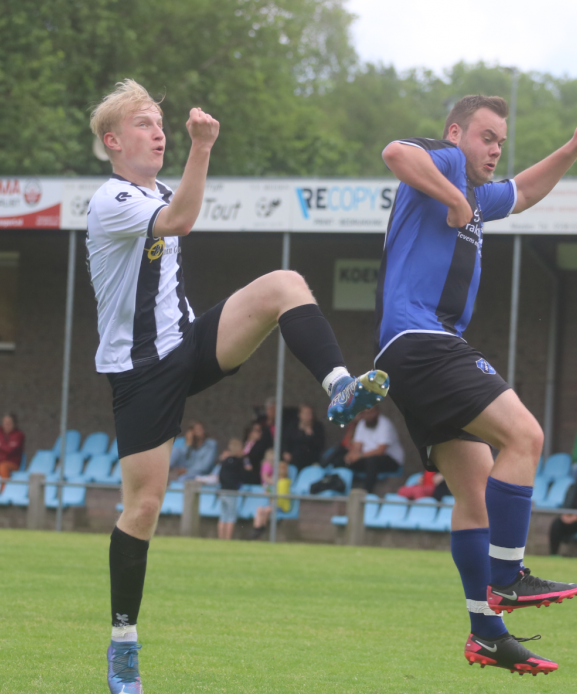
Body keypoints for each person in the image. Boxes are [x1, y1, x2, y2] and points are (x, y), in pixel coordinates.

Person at [86, 80, 389, 693]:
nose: (158, 132)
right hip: (140, 371)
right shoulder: (111, 199)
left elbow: (178, 210)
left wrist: (195, 153)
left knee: (284, 284)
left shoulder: (158, 192)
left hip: (187, 343)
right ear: (112, 141)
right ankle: (123, 643)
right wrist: (202, 147)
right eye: (144, 124)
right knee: (143, 507)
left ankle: (338, 386)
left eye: (160, 123)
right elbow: (181, 221)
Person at [375, 94, 577, 674]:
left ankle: (486, 633)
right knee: (525, 436)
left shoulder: (481, 196)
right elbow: (395, 152)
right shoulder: (447, 162)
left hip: (409, 353)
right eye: (486, 137)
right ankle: (507, 576)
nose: (495, 149)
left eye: (501, 141)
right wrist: (454, 197)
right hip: (423, 340)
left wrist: (575, 146)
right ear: (456, 134)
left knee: (476, 493)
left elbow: (524, 191)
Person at [344, 406, 404, 493]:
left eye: (371, 412)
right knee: (342, 455)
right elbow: (356, 447)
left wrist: (359, 456)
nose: (368, 415)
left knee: (372, 461)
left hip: (391, 460)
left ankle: (366, 493)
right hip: (366, 458)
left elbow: (380, 451)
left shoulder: (385, 424)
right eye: (365, 413)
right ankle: (335, 487)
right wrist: (350, 456)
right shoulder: (361, 424)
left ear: (377, 412)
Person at [214, 438, 245, 541]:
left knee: (223, 516)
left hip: (223, 490)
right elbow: (241, 476)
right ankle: (227, 539)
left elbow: (220, 476)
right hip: (231, 491)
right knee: (231, 516)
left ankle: (221, 538)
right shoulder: (239, 462)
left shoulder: (225, 461)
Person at [282, 403, 325, 471]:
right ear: (299, 414)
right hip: (293, 460)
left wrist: (311, 435)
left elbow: (320, 445)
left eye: (310, 413)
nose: (308, 416)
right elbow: (285, 440)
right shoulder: (293, 426)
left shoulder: (317, 427)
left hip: (310, 460)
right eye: (305, 413)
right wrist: (286, 451)